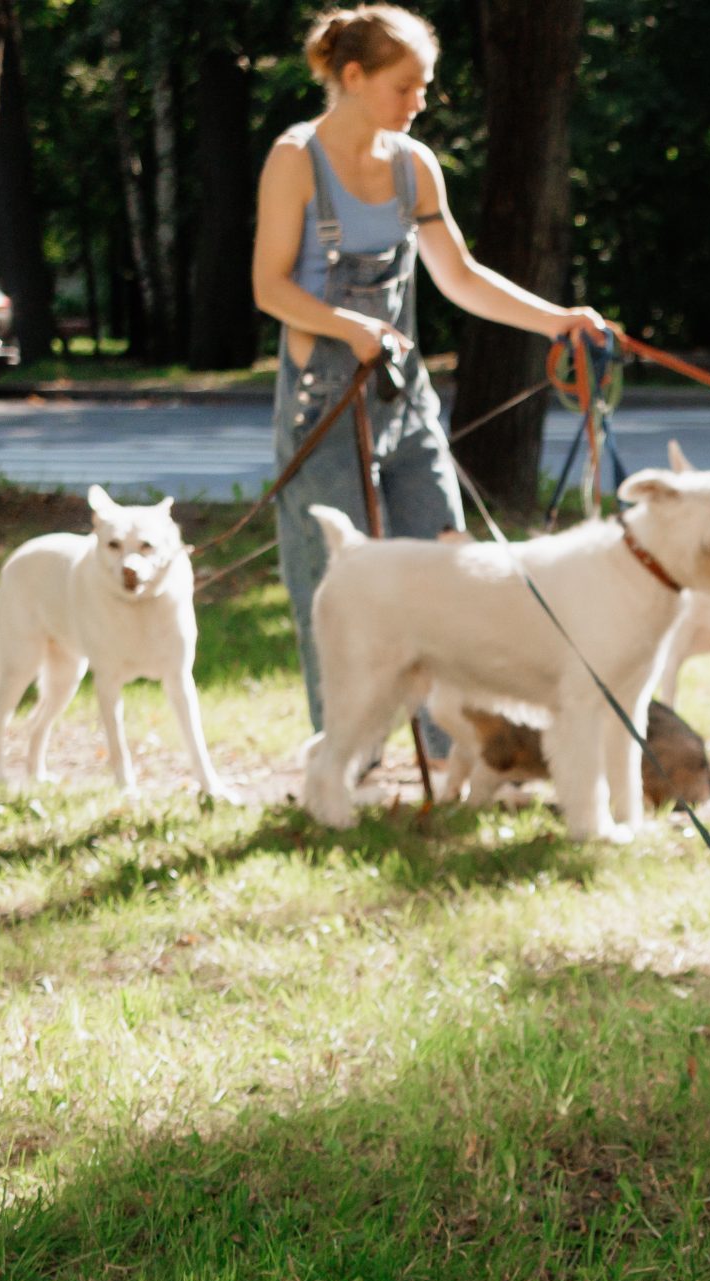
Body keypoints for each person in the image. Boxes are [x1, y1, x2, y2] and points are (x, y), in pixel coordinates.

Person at [252, 4, 605, 744]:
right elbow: (269, 288)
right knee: (339, 581)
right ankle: (349, 757)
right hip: (323, 401)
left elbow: (463, 277)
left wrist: (558, 320)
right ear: (352, 77)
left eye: (425, 86)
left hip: (404, 400)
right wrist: (350, 326)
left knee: (449, 566)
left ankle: (454, 752)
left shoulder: (415, 167)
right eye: (405, 86)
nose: (420, 102)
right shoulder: (295, 159)